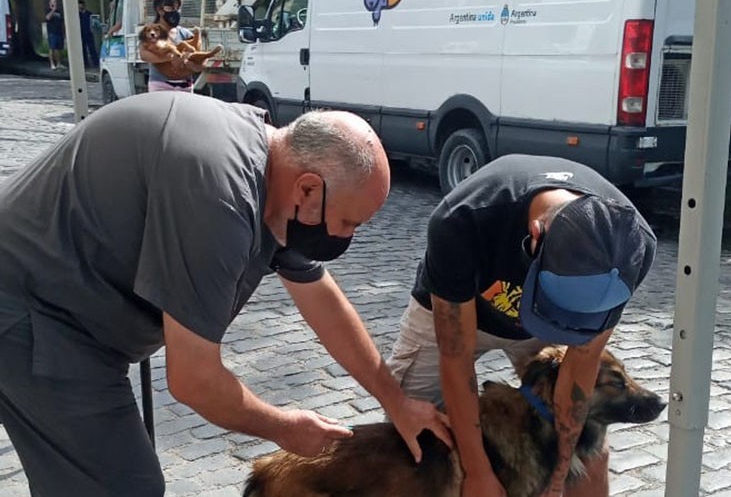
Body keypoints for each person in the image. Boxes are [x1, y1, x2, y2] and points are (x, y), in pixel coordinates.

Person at [0, 92, 451, 497]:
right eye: (349, 222)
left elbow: (322, 300)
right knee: (122, 488)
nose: (347, 237)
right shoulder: (220, 197)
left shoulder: (273, 171)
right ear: (308, 188)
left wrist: (396, 401)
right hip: (34, 311)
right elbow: (194, 379)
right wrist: (282, 427)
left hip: (67, 310)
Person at [386, 154, 657, 497]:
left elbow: (581, 364)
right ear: (535, 235)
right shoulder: (463, 220)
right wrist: (478, 472)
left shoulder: (631, 246)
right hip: (457, 311)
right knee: (412, 441)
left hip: (544, 326)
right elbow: (456, 360)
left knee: (588, 452)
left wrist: (558, 477)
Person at [138, 0, 203, 92]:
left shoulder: (185, 33)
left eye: (177, 8)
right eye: (170, 8)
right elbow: (144, 55)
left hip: (185, 87)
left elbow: (199, 56)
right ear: (159, 10)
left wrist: (193, 64)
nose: (175, 12)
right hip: (160, 86)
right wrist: (169, 57)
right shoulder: (150, 33)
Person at [78, 0, 99, 68]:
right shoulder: (78, 15)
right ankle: (85, 64)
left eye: (82, 5)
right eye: (79, 5)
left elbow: (94, 23)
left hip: (89, 33)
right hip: (81, 34)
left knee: (92, 48)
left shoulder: (89, 14)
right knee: (83, 49)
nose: (80, 6)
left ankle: (96, 63)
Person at [44, 0, 65, 70]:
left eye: (55, 2)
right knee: (52, 48)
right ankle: (52, 64)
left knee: (59, 49)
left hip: (59, 32)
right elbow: (47, 18)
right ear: (50, 3)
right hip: (52, 33)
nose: (54, 3)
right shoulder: (48, 10)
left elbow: (62, 21)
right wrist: (52, 10)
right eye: (52, 2)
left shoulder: (59, 12)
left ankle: (59, 63)